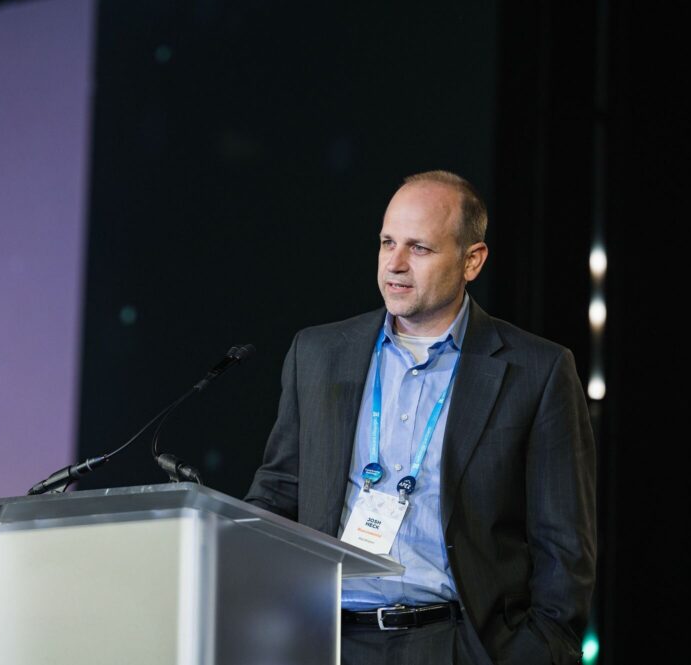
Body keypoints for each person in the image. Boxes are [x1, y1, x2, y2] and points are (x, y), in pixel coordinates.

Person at [246, 170, 595, 665]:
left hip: (459, 644)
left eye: (420, 248)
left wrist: (536, 651)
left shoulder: (537, 370)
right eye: (387, 242)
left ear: (472, 260)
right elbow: (279, 493)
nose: (395, 263)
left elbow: (564, 545)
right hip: (330, 641)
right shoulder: (319, 354)